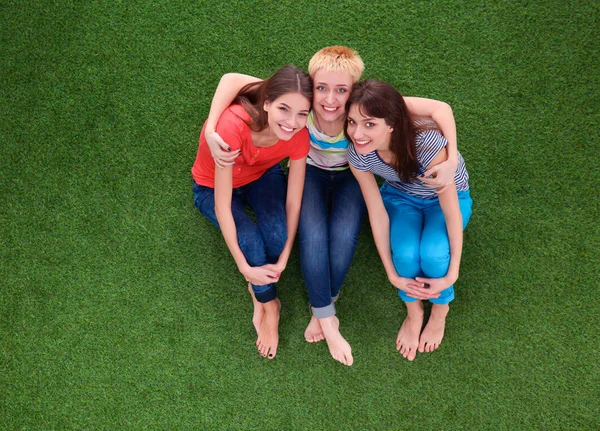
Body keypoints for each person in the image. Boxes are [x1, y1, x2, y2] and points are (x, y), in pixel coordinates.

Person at [202, 47, 459, 366]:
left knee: (344, 235)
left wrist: (453, 156)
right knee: (312, 236)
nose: (330, 100)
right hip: (310, 171)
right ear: (311, 84)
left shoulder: (367, 108)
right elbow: (233, 80)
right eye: (321, 88)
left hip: (353, 174)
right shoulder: (299, 100)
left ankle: (326, 303)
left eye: (341, 90)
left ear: (353, 90)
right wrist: (212, 127)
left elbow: (438, 108)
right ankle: (325, 316)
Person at [191, 65, 312, 359]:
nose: (292, 122)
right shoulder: (232, 127)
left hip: (261, 175)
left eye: (301, 114)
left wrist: (284, 255)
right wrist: (244, 268)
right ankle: (269, 305)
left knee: (277, 237)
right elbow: (222, 206)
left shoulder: (300, 136)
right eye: (284, 109)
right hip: (211, 187)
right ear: (267, 103)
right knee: (252, 247)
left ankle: (262, 286)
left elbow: (294, 201)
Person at [346, 80, 472, 361]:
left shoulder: (427, 142)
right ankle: (414, 313)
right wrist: (391, 273)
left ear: (391, 124)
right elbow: (376, 211)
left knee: (434, 254)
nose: (357, 133)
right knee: (404, 254)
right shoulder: (357, 153)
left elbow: (451, 210)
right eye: (352, 122)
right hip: (401, 198)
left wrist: (452, 274)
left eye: (369, 124)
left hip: (446, 199)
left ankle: (440, 309)